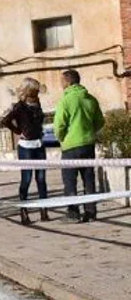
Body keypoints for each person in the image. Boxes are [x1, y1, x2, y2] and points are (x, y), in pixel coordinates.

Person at [53, 69, 106, 223]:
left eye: (62, 81)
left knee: (70, 180)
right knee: (88, 178)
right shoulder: (90, 99)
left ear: (68, 82)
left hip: (70, 146)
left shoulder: (66, 100)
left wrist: (62, 138)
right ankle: (91, 212)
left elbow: (59, 125)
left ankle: (73, 213)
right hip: (88, 143)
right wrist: (90, 132)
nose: (60, 84)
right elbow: (100, 121)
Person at [1, 78, 48, 225]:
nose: (37, 91)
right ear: (29, 90)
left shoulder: (37, 103)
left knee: (41, 179)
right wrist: (18, 131)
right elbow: (6, 121)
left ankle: (44, 209)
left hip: (39, 144)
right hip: (26, 146)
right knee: (26, 179)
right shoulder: (20, 106)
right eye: (35, 89)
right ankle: (23, 211)